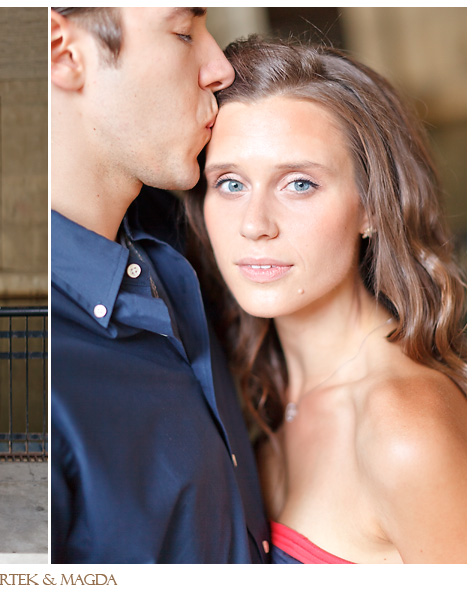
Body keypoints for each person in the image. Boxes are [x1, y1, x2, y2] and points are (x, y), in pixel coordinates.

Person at [186, 36, 467, 563]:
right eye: (229, 183)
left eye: (298, 184)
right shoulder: (251, 392)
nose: (255, 225)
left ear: (372, 209)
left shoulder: (404, 427)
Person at [50, 7, 270, 563]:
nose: (220, 67)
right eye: (183, 31)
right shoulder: (52, 362)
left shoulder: (172, 262)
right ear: (66, 52)